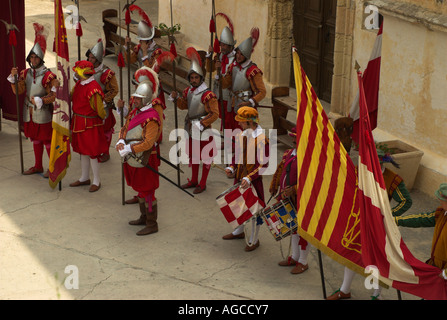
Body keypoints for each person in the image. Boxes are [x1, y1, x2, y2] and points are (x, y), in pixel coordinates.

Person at [327, 148, 413, 300]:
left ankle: (376, 294)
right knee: (352, 254)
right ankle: (344, 290)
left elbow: (406, 201)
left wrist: (388, 216)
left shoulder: (392, 179)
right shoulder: (360, 171)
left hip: (379, 227)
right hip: (358, 222)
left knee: (376, 260)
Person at [116, 74, 163, 236]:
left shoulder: (151, 119)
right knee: (141, 190)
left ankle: (152, 223)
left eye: (138, 98)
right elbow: (125, 127)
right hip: (132, 155)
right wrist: (121, 140)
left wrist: (129, 148)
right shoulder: (134, 112)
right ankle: (143, 217)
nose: (135, 100)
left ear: (146, 100)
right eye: (135, 97)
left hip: (145, 158)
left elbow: (148, 143)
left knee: (148, 192)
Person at [7, 24, 57, 177]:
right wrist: (14, 78)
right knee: (35, 139)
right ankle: (37, 165)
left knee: (47, 141)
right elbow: (20, 90)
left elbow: (54, 96)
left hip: (43, 112)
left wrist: (41, 100)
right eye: (31, 57)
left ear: (41, 58)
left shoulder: (49, 76)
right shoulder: (25, 72)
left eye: (36, 57)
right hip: (28, 110)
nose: (33, 59)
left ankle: (52, 168)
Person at [170, 48, 219, 194]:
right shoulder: (188, 91)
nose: (193, 80)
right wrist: (176, 99)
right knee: (194, 155)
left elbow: (215, 114)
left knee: (205, 156)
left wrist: (203, 123)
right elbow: (184, 106)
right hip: (190, 127)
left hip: (203, 129)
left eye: (196, 78)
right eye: (191, 78)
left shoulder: (208, 95)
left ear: (201, 78)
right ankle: (194, 180)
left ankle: (202, 183)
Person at [222, 106, 269, 251]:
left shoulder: (263, 140)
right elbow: (238, 155)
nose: (239, 124)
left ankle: (254, 240)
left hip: (253, 181)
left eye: (242, 122)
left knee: (255, 211)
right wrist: (232, 167)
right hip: (240, 177)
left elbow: (264, 165)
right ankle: (239, 231)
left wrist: (249, 178)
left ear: (250, 122)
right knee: (238, 204)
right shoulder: (242, 135)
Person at [270, 127, 310, 274]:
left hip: (302, 200)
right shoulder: (289, 153)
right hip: (288, 198)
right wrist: (275, 186)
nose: (293, 140)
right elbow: (280, 170)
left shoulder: (308, 158)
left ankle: (303, 261)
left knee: (303, 231)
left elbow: (310, 181)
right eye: (293, 137)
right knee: (293, 228)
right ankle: (294, 256)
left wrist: (294, 189)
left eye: (296, 138)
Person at [69, 60, 107, 192]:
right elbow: (71, 96)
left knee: (92, 153)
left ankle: (97, 180)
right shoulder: (79, 84)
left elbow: (100, 111)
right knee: (83, 152)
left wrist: (100, 120)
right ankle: (84, 177)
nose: (76, 74)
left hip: (90, 125)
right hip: (79, 122)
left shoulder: (93, 88)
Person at [395, 183, 447, 281]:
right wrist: (398, 220)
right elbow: (422, 219)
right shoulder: (442, 212)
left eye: (441, 199)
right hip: (436, 266)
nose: (439, 201)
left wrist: (445, 273)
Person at [218, 28, 266, 131]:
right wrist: (219, 75)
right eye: (237, 53)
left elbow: (262, 92)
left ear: (246, 56)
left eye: (241, 54)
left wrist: (250, 102)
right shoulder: (233, 66)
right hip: (232, 103)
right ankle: (230, 146)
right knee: (230, 128)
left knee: (243, 131)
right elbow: (226, 84)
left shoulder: (253, 71)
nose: (238, 56)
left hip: (245, 106)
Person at [85, 39, 119, 163]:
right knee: (92, 130)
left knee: (105, 131)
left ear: (98, 59)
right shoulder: (87, 70)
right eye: (89, 57)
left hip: (103, 106)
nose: (89, 60)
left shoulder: (107, 73)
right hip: (90, 106)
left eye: (92, 58)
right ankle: (94, 149)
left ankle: (105, 152)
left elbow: (114, 90)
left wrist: (104, 100)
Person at [206, 24, 236, 132]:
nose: (221, 47)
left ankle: (232, 143)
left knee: (230, 120)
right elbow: (209, 69)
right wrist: (209, 56)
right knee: (224, 119)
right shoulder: (219, 56)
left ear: (230, 46)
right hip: (219, 93)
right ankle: (228, 142)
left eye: (224, 45)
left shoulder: (235, 60)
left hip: (229, 94)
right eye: (221, 45)